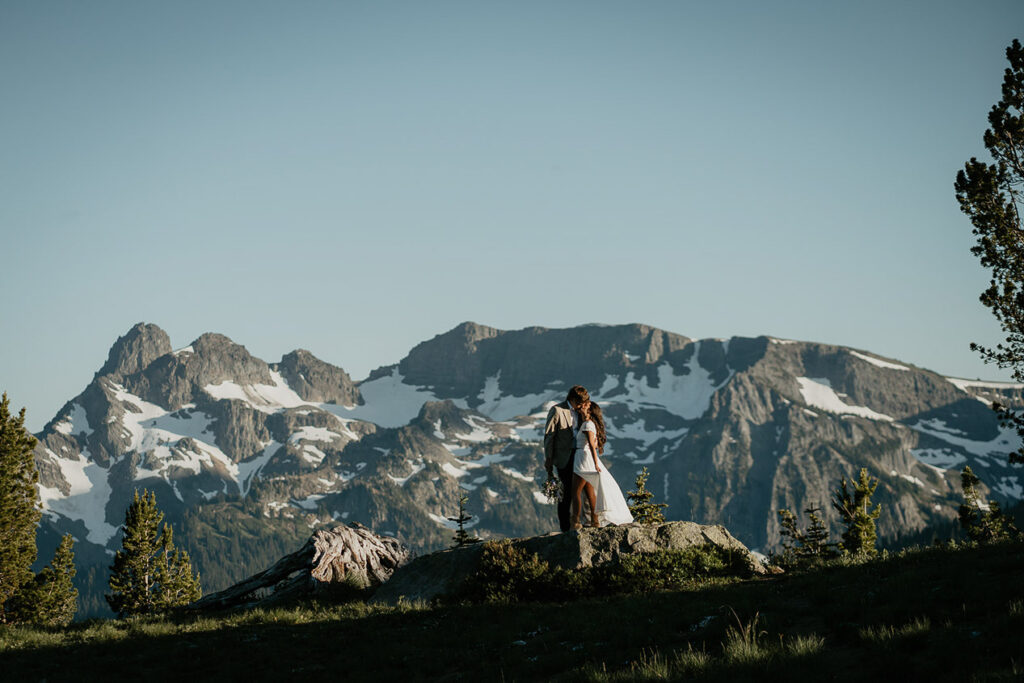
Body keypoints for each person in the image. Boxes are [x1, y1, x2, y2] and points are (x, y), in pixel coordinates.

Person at [571, 399, 634, 528]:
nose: (582, 406)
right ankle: (595, 521)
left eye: (585, 406)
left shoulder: (588, 425)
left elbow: (592, 446)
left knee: (575, 492)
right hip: (584, 457)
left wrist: (595, 463)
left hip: (583, 459)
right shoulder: (588, 424)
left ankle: (576, 522)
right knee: (589, 493)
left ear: (589, 410)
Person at [544, 385, 589, 532]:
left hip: (580, 455)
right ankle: (565, 528)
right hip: (564, 458)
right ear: (573, 399)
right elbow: (549, 436)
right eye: (580, 403)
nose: (582, 406)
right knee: (567, 492)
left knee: (582, 491)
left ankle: (582, 522)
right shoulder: (557, 410)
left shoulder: (581, 412)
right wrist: (549, 459)